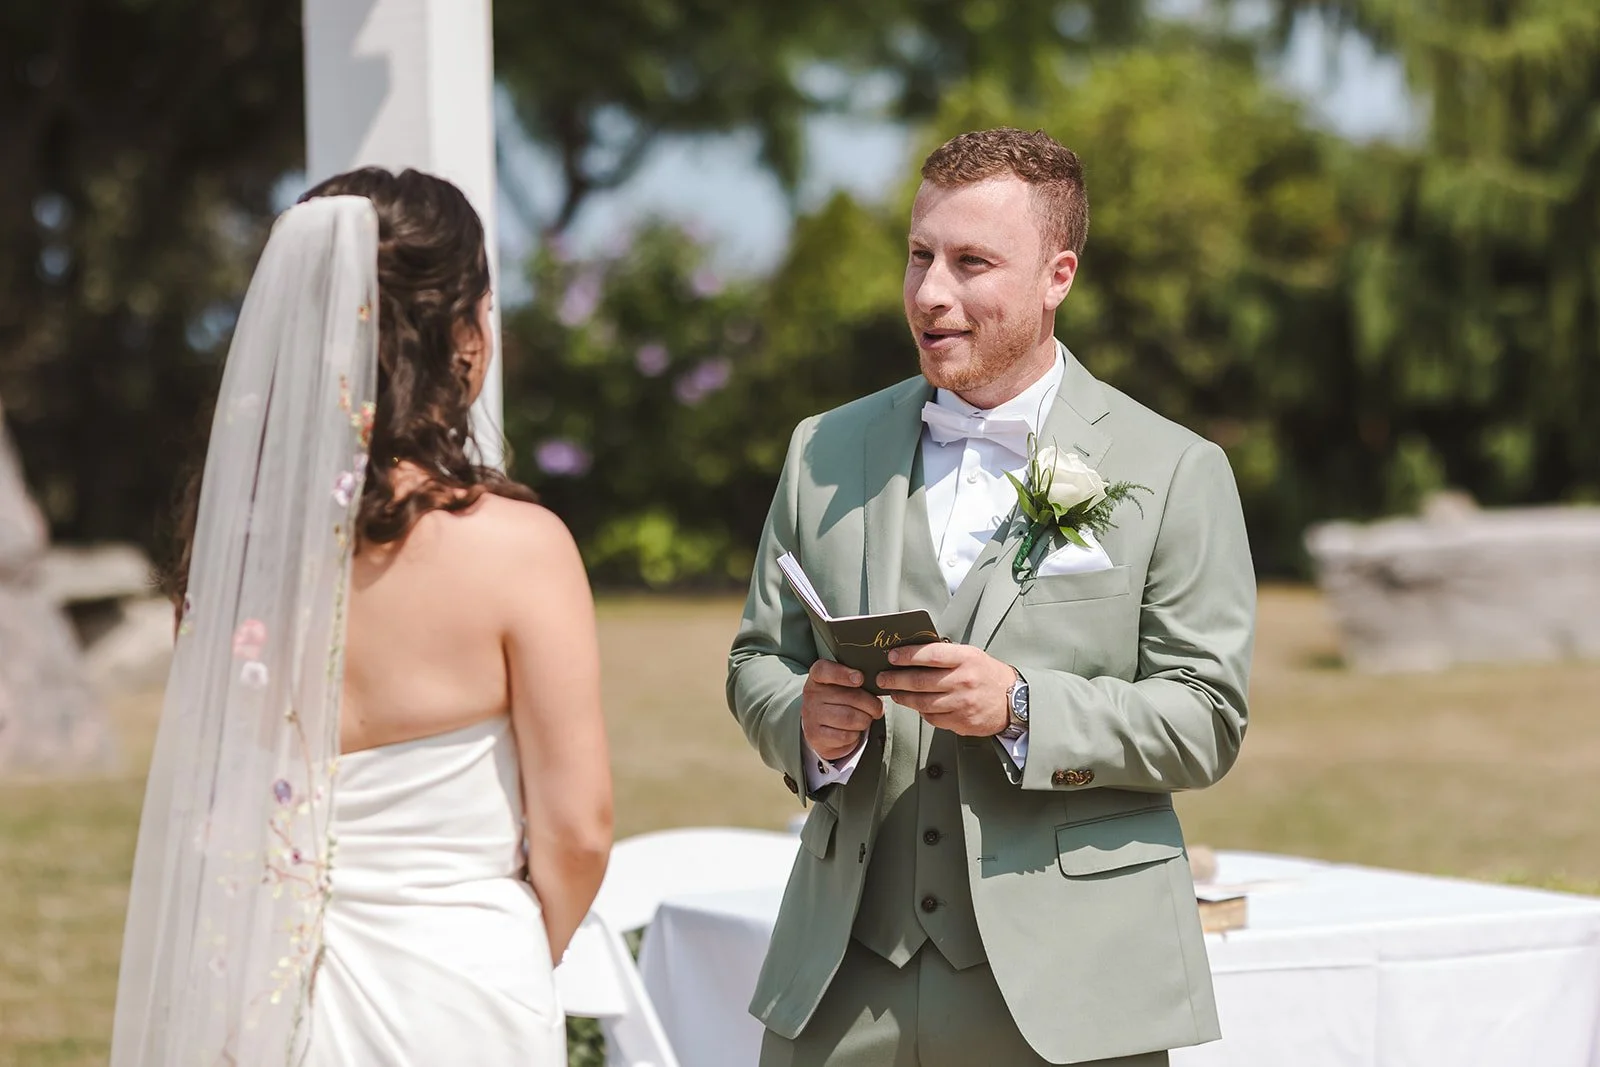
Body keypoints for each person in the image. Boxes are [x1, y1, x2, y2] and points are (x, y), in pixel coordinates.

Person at [728, 127, 1256, 1066]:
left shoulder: (1174, 468)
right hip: (844, 979)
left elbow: (1207, 716)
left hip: (1074, 987)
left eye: (972, 262)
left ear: (1058, 276)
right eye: (920, 255)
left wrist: (1021, 707)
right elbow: (758, 659)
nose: (932, 293)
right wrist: (804, 726)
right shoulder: (823, 450)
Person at [109, 168, 611, 1066]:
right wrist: (522, 951)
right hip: (461, 992)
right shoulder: (519, 548)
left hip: (259, 988)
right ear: (463, 330)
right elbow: (577, 829)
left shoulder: (235, 559)